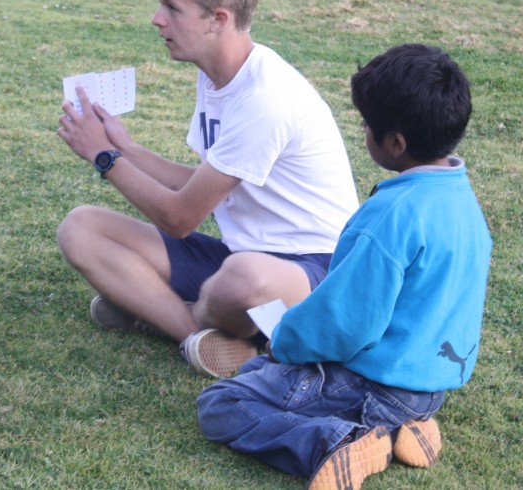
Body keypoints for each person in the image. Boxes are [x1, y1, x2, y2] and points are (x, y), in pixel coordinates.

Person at [56, 0, 358, 378]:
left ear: (219, 19)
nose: (157, 19)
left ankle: (161, 311)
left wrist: (104, 158)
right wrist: (126, 148)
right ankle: (201, 336)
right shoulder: (217, 74)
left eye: (172, 8)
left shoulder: (265, 98)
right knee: (80, 228)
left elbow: (181, 217)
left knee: (244, 278)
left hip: (312, 272)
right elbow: (203, 184)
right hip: (241, 252)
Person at [195, 43, 492, 490]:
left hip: (370, 386)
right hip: (429, 387)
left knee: (223, 402)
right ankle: (408, 425)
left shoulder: (390, 217)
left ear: (396, 143)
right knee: (261, 375)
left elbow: (346, 322)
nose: (365, 132)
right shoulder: (464, 204)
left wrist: (287, 340)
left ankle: (338, 442)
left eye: (368, 125)